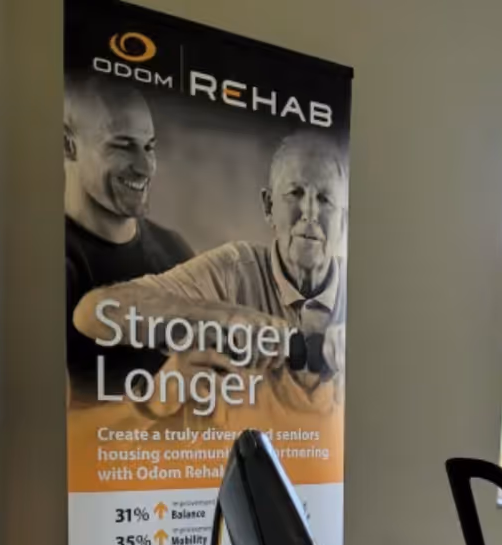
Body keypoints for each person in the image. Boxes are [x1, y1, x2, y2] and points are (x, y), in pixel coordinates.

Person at [72, 130, 348, 418]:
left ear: (344, 221)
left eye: (325, 199)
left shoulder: (361, 297)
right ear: (268, 206)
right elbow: (95, 312)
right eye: (296, 193)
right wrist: (224, 320)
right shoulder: (234, 270)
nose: (309, 212)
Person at [64, 72, 193, 404]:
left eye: (149, 147)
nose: (145, 167)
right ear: (68, 145)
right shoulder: (53, 264)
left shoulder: (174, 251)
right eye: (123, 146)